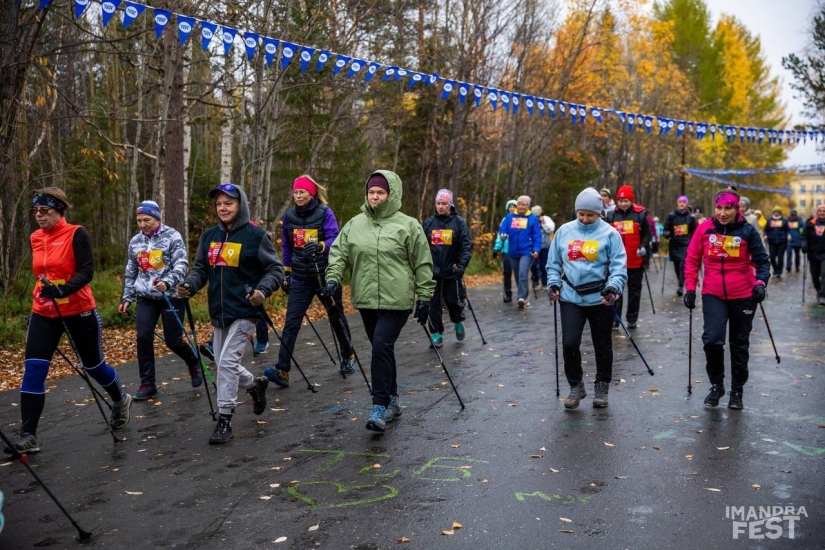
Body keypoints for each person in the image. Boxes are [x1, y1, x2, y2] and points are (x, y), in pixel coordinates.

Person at [7, 188, 132, 454]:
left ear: (60, 211)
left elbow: (87, 272)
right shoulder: (35, 237)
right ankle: (28, 435)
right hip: (44, 312)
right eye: (36, 212)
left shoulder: (77, 233)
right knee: (34, 371)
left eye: (45, 211)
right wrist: (47, 294)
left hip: (78, 310)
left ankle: (120, 399)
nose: (39, 216)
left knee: (93, 367)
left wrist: (62, 290)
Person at [323, 171, 435, 433]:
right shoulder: (355, 224)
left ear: (391, 194)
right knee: (381, 349)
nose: (375, 196)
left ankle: (379, 405)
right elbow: (338, 253)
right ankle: (393, 400)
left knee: (381, 346)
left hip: (397, 300)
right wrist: (333, 278)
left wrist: (425, 297)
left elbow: (422, 262)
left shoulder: (408, 225)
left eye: (380, 192)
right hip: (366, 299)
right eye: (371, 192)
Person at [177, 183, 283, 445]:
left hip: (246, 311)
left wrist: (262, 290)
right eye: (219, 204)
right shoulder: (209, 236)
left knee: (224, 364)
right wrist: (189, 285)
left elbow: (275, 270)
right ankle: (254, 385)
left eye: (229, 203)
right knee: (225, 363)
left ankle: (224, 419)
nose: (223, 208)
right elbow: (201, 268)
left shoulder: (255, 236)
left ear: (241, 205)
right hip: (219, 312)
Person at [264, 175, 357, 388]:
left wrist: (321, 246)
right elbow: (286, 246)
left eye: (301, 192)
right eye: (295, 192)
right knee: (291, 324)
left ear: (311, 193)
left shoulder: (325, 213)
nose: (297, 196)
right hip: (300, 277)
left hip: (325, 275)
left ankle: (348, 355)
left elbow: (336, 238)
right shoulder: (289, 216)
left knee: (336, 317)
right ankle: (282, 370)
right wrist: (286, 273)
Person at [683, 187, 770, 410]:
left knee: (739, 344)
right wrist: (690, 288)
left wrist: (760, 283)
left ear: (736, 208)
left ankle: (737, 390)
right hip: (713, 293)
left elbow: (762, 262)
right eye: (719, 207)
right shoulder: (704, 229)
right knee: (712, 341)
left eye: (728, 208)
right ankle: (716, 385)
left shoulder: (747, 231)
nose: (723, 212)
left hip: (743, 295)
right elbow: (692, 260)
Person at [546, 187, 627, 409]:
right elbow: (553, 263)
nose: (585, 218)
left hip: (600, 298)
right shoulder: (564, 231)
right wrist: (553, 283)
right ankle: (575, 385)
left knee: (602, 344)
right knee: (570, 343)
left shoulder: (610, 234)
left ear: (599, 213)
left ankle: (602, 385)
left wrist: (613, 287)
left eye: (590, 215)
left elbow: (619, 267)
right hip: (571, 295)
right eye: (581, 214)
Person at [118, 200, 203, 400]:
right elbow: (131, 271)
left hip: (171, 296)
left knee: (173, 340)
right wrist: (127, 298)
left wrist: (168, 281)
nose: (143, 224)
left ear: (157, 218)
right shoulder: (135, 242)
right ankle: (147, 384)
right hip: (146, 297)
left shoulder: (172, 236)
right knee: (143, 336)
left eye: (147, 220)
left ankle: (193, 361)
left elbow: (182, 264)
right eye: (139, 220)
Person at [422, 189, 472, 348]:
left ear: (450, 204)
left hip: (452, 270)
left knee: (452, 301)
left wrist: (462, 265)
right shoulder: (429, 223)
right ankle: (436, 333)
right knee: (433, 303)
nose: (441, 207)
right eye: (438, 203)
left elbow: (466, 246)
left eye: (444, 203)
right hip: (432, 271)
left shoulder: (458, 222)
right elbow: (422, 246)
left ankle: (458, 321)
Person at [605, 184, 651, 329]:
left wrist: (643, 246)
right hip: (616, 262)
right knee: (616, 291)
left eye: (626, 200)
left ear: (631, 201)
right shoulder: (611, 215)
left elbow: (647, 234)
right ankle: (614, 318)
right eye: (621, 200)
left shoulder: (640, 214)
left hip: (635, 260)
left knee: (634, 292)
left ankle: (632, 318)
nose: (623, 203)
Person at [498, 195, 542, 309]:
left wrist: (536, 249)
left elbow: (537, 236)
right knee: (518, 275)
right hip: (512, 251)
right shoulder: (510, 217)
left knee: (523, 273)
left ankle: (521, 297)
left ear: (528, 206)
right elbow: (503, 228)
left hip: (527, 251)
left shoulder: (532, 218)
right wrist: (502, 234)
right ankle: (525, 297)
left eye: (524, 204)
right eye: (519, 204)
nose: (521, 207)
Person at [663, 195, 696, 296]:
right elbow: (665, 229)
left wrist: (693, 243)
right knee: (677, 265)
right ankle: (680, 282)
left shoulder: (690, 218)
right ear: (677, 204)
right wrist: (666, 234)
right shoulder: (671, 216)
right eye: (680, 202)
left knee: (683, 264)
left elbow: (694, 232)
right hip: (674, 244)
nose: (682, 204)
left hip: (686, 245)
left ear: (687, 204)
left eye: (684, 202)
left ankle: (681, 286)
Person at [492, 200, 517, 302]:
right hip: (506, 250)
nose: (512, 208)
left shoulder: (520, 220)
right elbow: (500, 235)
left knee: (518, 273)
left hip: (517, 250)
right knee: (507, 272)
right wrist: (497, 248)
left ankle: (522, 295)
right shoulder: (505, 220)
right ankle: (508, 293)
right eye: (510, 206)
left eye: (513, 206)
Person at [801, 204, 825, 306]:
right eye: (820, 211)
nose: (822, 213)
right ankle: (819, 291)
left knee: (824, 274)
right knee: (815, 276)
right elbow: (804, 236)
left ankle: (823, 295)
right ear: (817, 212)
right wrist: (804, 244)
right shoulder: (810, 224)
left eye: (824, 211)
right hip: (813, 253)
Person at [530, 205, 555, 288]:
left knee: (544, 265)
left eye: (538, 215)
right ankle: (535, 279)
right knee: (533, 265)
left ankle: (545, 282)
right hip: (533, 246)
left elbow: (550, 229)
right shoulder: (530, 220)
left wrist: (543, 222)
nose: (537, 217)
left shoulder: (547, 219)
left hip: (545, 246)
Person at [764, 206, 790, 279]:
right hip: (772, 241)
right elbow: (766, 230)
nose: (776, 213)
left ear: (780, 213)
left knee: (780, 257)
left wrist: (788, 235)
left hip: (782, 241)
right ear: (773, 212)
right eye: (775, 212)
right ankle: (775, 269)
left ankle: (779, 271)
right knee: (772, 257)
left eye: (778, 212)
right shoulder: (769, 220)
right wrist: (765, 235)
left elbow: (787, 230)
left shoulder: (784, 221)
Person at [786, 209, 804, 273]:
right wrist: (787, 234)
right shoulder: (787, 221)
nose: (793, 216)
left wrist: (801, 234)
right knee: (789, 254)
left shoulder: (800, 221)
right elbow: (786, 229)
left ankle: (797, 266)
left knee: (797, 255)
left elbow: (802, 229)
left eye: (794, 215)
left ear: (796, 215)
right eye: (791, 215)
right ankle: (788, 267)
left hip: (797, 240)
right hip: (789, 241)